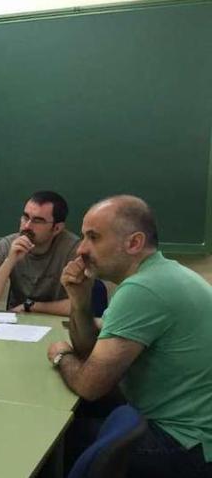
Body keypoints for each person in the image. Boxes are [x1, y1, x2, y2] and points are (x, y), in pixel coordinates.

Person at [48, 195, 212, 477]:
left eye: (93, 237)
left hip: (184, 446)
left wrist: (62, 355)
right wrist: (79, 299)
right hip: (187, 431)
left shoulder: (143, 289)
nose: (81, 250)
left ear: (134, 243)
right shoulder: (158, 275)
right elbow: (91, 352)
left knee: (55, 439)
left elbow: (90, 385)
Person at [0, 190, 78, 315]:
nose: (27, 226)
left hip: (56, 321)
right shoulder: (7, 245)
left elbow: (78, 306)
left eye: (37, 221)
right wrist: (10, 260)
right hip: (18, 321)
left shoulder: (73, 249)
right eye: (25, 217)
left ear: (57, 228)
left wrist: (31, 306)